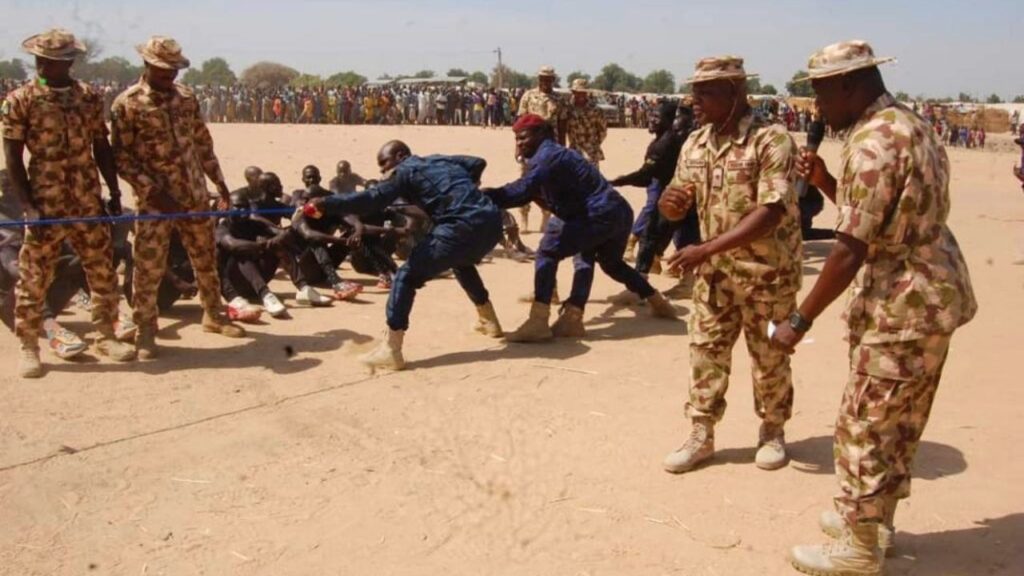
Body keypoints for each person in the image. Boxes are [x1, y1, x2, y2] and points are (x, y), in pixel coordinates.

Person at [774, 41, 977, 576]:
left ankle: (860, 548)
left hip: (903, 301)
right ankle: (872, 519)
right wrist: (824, 184)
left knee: (865, 422)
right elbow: (882, 213)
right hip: (934, 293)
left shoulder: (871, 142)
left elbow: (849, 248)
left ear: (848, 84)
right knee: (900, 419)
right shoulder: (907, 122)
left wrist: (798, 320)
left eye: (819, 92)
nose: (817, 106)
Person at [658, 56, 803, 474]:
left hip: (768, 275)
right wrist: (671, 207)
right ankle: (701, 433)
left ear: (735, 93)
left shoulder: (771, 140)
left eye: (705, 91)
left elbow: (771, 212)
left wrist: (704, 249)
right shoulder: (695, 142)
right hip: (716, 276)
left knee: (771, 354)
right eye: (694, 90)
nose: (694, 99)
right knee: (705, 352)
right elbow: (675, 201)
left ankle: (772, 430)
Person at [3, 29, 136, 377]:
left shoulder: (88, 97)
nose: (48, 66)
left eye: (59, 61)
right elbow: (13, 157)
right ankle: (29, 344)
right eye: (44, 60)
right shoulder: (21, 99)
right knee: (34, 275)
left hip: (87, 197)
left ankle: (106, 334)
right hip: (46, 201)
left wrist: (114, 192)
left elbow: (101, 146)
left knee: (101, 270)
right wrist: (28, 206)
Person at [306, 140, 505, 370]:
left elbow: (370, 200)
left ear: (400, 155)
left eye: (384, 163)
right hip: (491, 223)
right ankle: (489, 320)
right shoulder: (438, 159)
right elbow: (477, 162)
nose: (383, 171)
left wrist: (326, 203)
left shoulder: (404, 171)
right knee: (461, 261)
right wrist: (464, 190)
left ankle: (391, 349)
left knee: (406, 276)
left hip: (459, 227)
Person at [485, 114, 678, 341]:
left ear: (541, 134)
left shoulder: (547, 156)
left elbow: (520, 191)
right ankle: (656, 302)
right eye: (516, 139)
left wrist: (484, 196)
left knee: (548, 252)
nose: (519, 143)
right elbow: (529, 194)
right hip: (617, 211)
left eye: (523, 137)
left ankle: (538, 320)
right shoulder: (556, 154)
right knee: (610, 263)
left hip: (596, 213)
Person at [111, 35, 246, 359]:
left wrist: (219, 181)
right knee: (148, 267)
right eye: (162, 69)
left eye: (173, 70)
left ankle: (213, 315)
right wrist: (151, 190)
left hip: (194, 195)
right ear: (147, 64)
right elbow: (121, 157)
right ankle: (145, 329)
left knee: (205, 258)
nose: (169, 76)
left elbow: (202, 142)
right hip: (154, 204)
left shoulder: (186, 97)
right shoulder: (126, 103)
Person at [289, 165, 364, 300]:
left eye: (314, 177)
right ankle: (335, 282)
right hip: (305, 266)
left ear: (320, 178)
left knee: (352, 234)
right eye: (308, 177)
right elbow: (308, 233)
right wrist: (304, 203)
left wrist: (357, 232)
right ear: (303, 179)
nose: (311, 180)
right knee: (316, 240)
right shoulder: (299, 197)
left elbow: (351, 219)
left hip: (326, 262)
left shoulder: (329, 199)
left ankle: (384, 272)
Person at [516, 66, 567, 233]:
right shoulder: (528, 96)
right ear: (538, 79)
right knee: (525, 182)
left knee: (549, 183)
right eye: (542, 78)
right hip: (530, 147)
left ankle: (546, 216)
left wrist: (562, 148)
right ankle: (524, 218)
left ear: (553, 80)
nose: (545, 81)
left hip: (550, 147)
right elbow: (520, 125)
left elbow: (562, 125)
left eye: (549, 78)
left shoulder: (559, 100)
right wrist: (518, 148)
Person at [565, 79, 608, 168]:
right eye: (577, 92)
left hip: (591, 152)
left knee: (592, 180)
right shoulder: (568, 109)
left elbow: (602, 130)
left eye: (583, 92)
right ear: (573, 92)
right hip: (574, 151)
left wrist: (593, 144)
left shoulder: (595, 110)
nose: (580, 95)